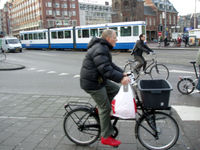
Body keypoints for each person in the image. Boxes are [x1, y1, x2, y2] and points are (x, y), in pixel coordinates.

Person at [80, 29, 130, 147]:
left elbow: (109, 65)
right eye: (115, 37)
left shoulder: (103, 47)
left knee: (118, 91)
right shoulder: (100, 49)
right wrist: (120, 79)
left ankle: (101, 114)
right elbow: (105, 69)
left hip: (99, 79)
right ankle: (106, 137)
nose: (116, 39)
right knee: (105, 108)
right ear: (108, 38)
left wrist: (122, 73)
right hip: (93, 83)